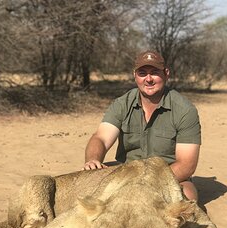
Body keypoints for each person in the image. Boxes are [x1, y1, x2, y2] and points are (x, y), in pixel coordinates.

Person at [82, 50, 201, 200]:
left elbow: (186, 165)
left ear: (166, 73)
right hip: (126, 172)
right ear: (135, 75)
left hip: (166, 176)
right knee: (85, 191)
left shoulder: (185, 110)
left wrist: (146, 182)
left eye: (155, 72)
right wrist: (93, 160)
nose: (149, 79)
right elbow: (101, 138)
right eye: (143, 73)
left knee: (187, 196)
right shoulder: (121, 104)